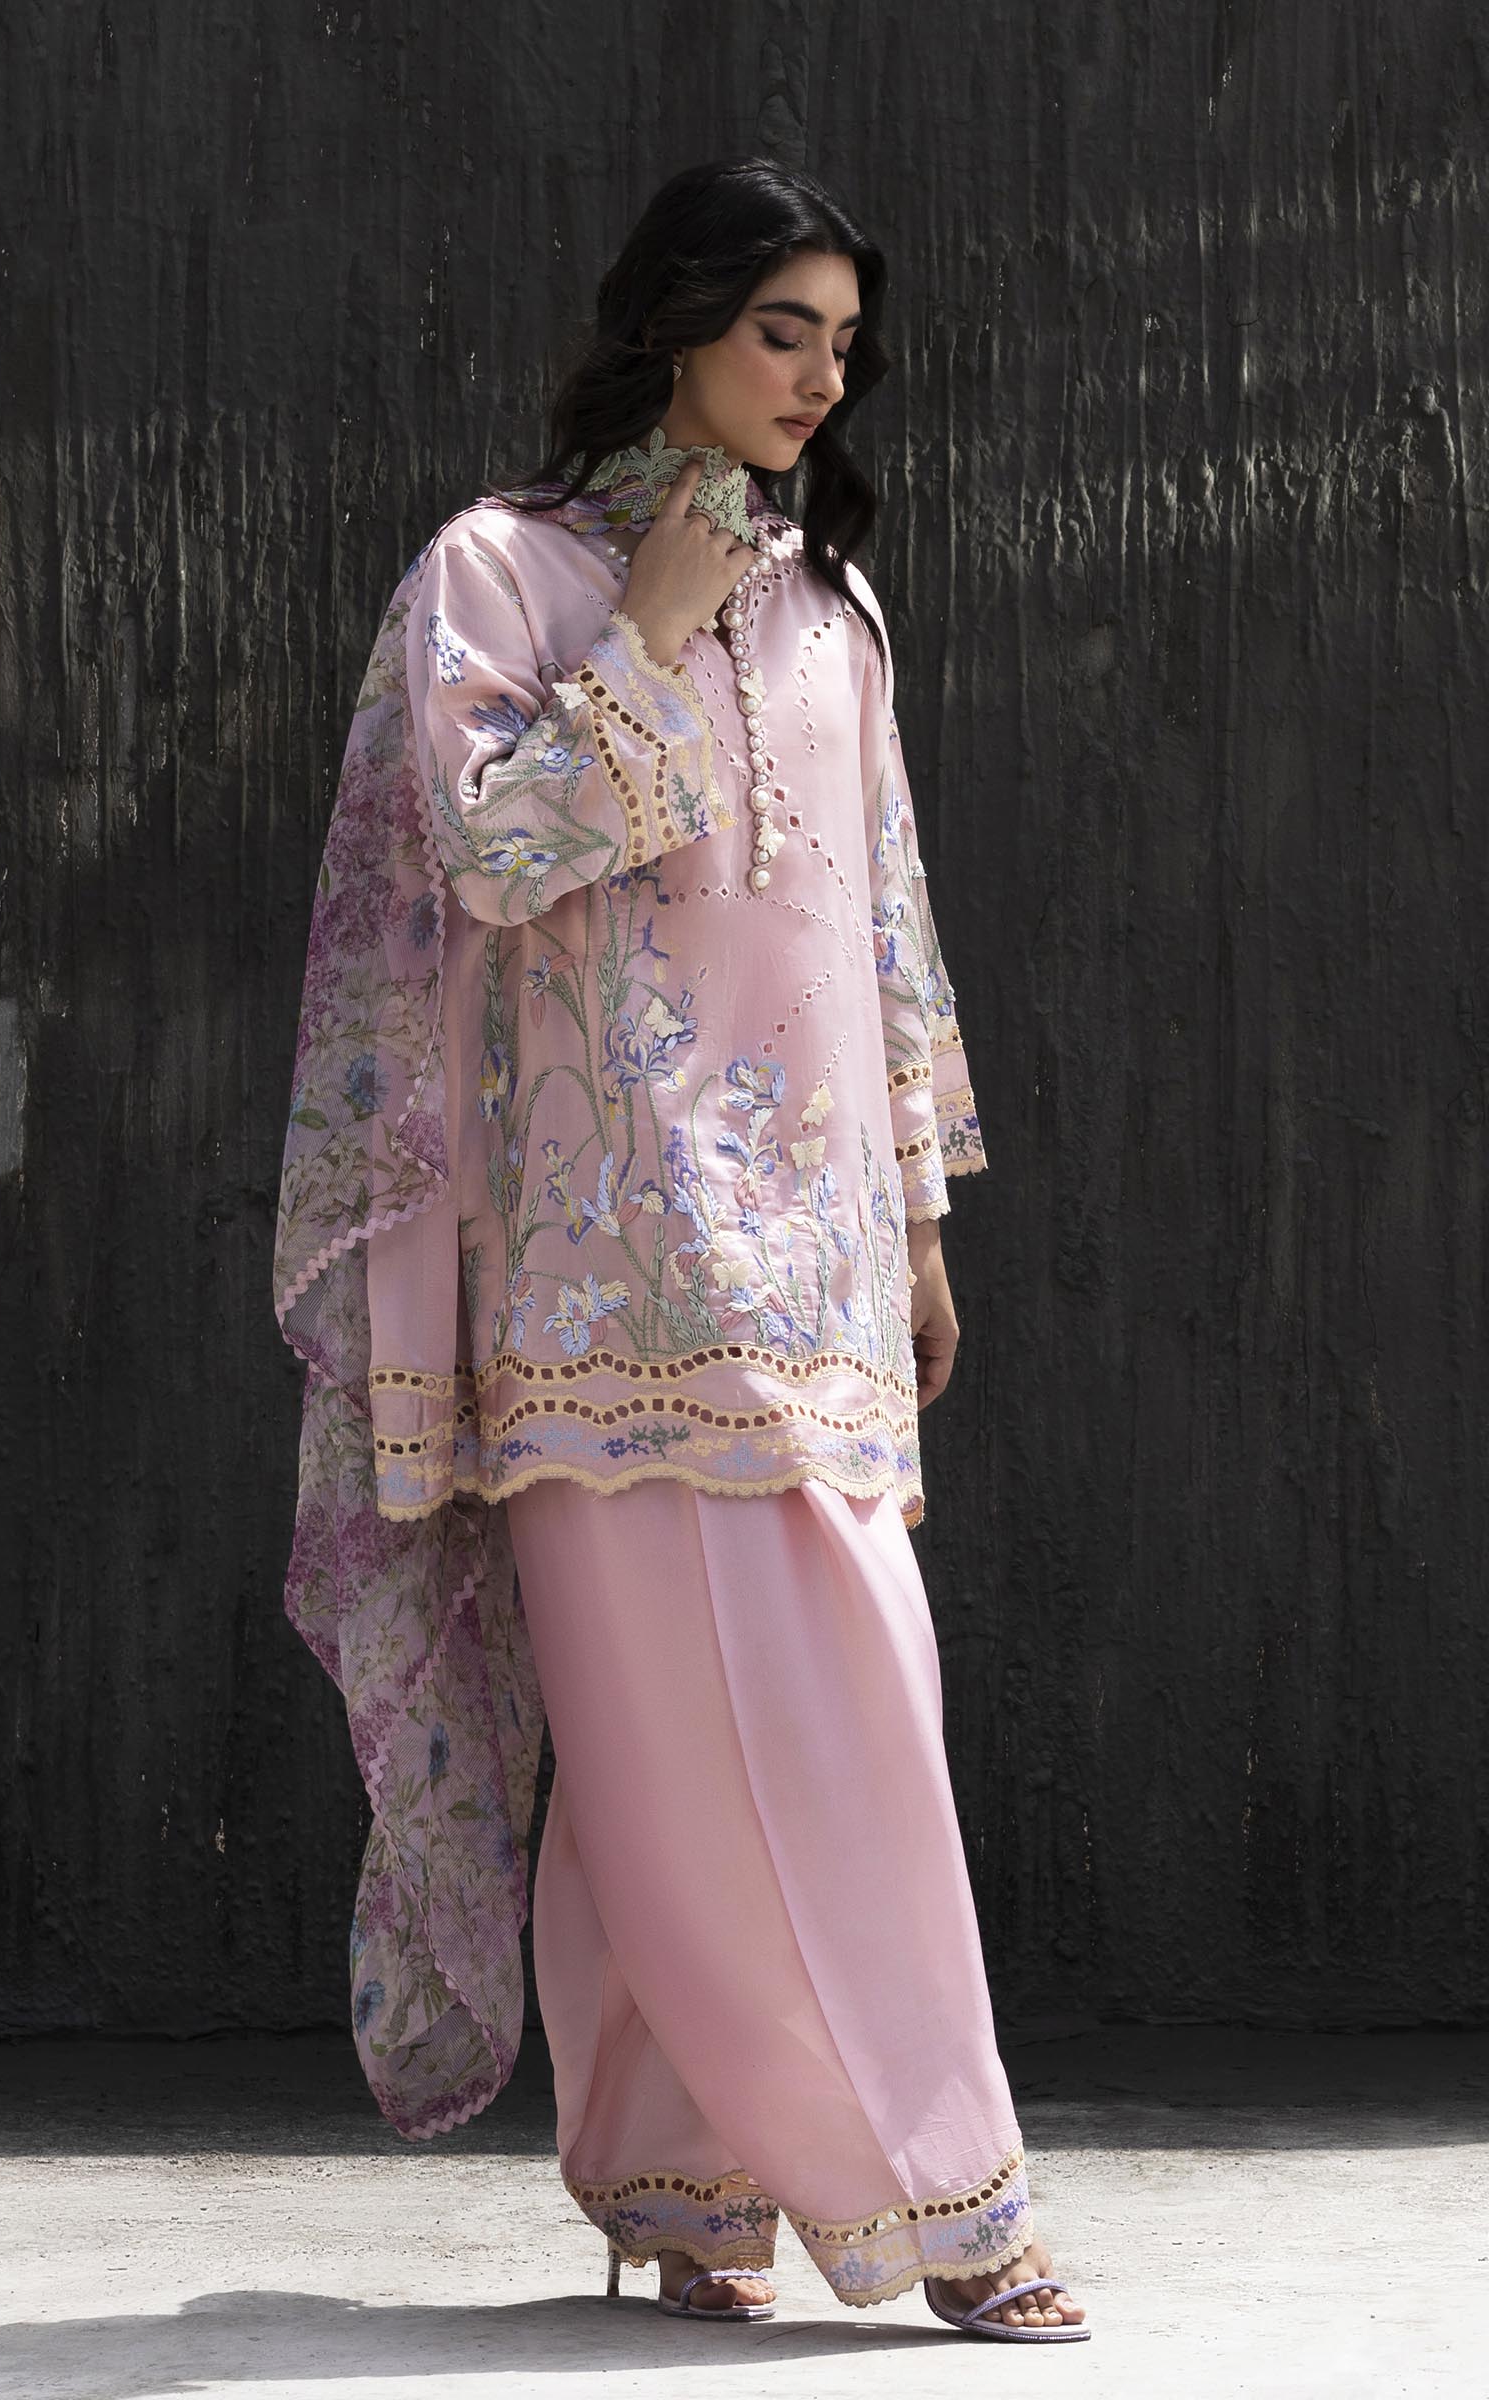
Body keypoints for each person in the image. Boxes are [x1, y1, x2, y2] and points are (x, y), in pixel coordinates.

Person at [271, 154, 1089, 2342]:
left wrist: (918, 1221)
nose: (817, 378)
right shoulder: (500, 573)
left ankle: (691, 2168)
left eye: (841, 343)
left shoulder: (835, 609)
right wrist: (641, 622)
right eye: (777, 331)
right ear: (672, 327)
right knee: (682, 1742)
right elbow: (487, 850)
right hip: (596, 1273)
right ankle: (920, 2198)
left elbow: (879, 929)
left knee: (808, 1715)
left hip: (812, 1262)